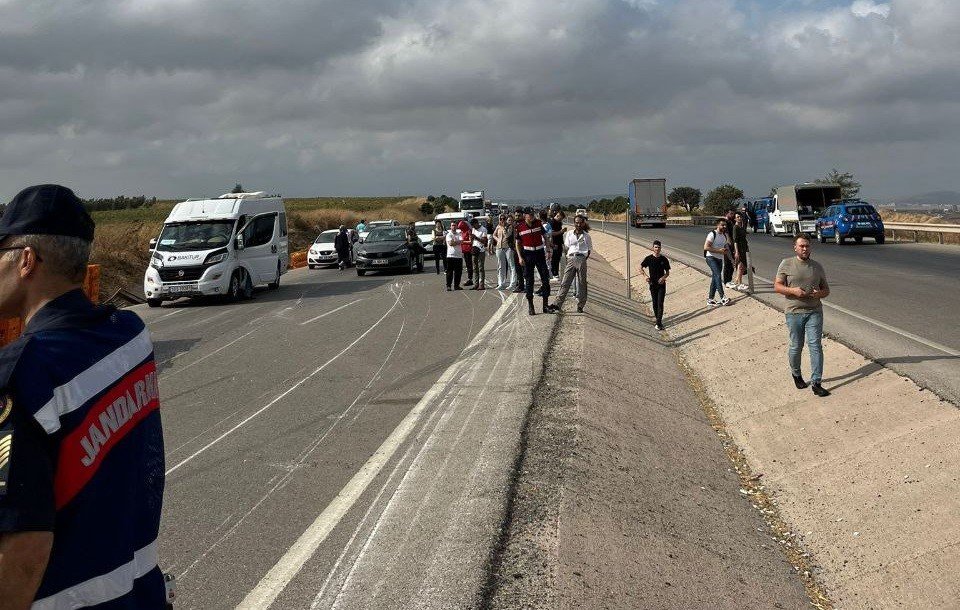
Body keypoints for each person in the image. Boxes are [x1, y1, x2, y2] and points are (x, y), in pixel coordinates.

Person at [0, 184, 169, 608]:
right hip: (141, 591)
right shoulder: (130, 335)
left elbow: (23, 555)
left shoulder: (27, 372)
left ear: (25, 260)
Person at [774, 236, 831, 397]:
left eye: (807, 246)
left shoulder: (817, 267)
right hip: (794, 312)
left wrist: (818, 293)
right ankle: (796, 374)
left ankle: (816, 382)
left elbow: (826, 290)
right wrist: (793, 291)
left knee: (815, 346)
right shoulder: (786, 263)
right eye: (801, 246)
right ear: (795, 248)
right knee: (796, 346)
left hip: (814, 311)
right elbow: (777, 286)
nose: (805, 249)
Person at [548, 214, 591, 313]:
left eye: (580, 223)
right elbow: (566, 247)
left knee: (582, 283)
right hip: (571, 258)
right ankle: (557, 304)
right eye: (576, 223)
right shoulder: (570, 234)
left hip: (581, 259)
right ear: (574, 223)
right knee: (565, 282)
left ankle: (581, 305)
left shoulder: (587, 236)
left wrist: (582, 259)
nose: (578, 225)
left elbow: (589, 251)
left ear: (583, 223)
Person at [515, 208, 552, 315]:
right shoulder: (519, 227)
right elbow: (517, 243)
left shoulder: (538, 223)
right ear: (525, 216)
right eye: (530, 215)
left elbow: (545, 237)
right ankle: (531, 306)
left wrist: (548, 250)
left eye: (533, 214)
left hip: (540, 253)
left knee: (545, 279)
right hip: (528, 255)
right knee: (529, 281)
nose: (532, 216)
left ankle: (545, 305)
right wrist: (520, 257)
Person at [640, 240, 670, 330]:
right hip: (652, 284)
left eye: (659, 247)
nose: (657, 249)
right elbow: (640, 268)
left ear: (661, 248)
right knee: (654, 303)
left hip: (661, 285)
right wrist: (645, 276)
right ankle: (658, 319)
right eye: (656, 247)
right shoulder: (649, 259)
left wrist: (663, 278)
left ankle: (659, 323)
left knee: (660, 303)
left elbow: (668, 272)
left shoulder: (664, 259)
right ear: (653, 248)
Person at [703, 219, 731, 307]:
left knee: (715, 278)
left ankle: (710, 299)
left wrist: (732, 260)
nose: (724, 227)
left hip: (719, 259)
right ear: (717, 225)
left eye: (725, 225)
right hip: (711, 258)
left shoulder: (724, 236)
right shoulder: (712, 234)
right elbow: (706, 247)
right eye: (722, 225)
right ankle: (723, 297)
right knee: (718, 275)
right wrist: (719, 251)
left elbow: (727, 249)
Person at [492, 215, 515, 290]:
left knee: (511, 265)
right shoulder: (498, 226)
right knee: (500, 266)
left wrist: (505, 228)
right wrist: (497, 239)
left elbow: (507, 235)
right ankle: (501, 283)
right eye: (500, 219)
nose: (502, 220)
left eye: (503, 219)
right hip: (499, 247)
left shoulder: (509, 226)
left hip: (508, 247)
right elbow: (494, 234)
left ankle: (512, 283)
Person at [731, 213, 750, 291]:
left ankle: (736, 281)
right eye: (737, 217)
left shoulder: (741, 227)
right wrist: (737, 252)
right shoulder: (735, 228)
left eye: (740, 217)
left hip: (744, 248)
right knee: (741, 266)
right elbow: (735, 241)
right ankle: (739, 283)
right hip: (739, 249)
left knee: (742, 266)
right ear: (735, 219)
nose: (739, 218)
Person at [445, 221, 464, 290]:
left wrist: (455, 242)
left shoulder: (459, 234)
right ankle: (448, 286)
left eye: (455, 225)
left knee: (458, 272)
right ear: (450, 227)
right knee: (449, 272)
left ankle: (456, 285)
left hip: (458, 255)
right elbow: (450, 243)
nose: (454, 227)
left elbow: (462, 241)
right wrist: (457, 242)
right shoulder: (449, 235)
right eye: (452, 225)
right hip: (450, 255)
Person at [470, 217, 488, 290]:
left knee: (481, 268)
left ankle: (481, 285)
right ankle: (476, 284)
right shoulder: (473, 229)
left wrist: (476, 237)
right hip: (474, 249)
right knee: (475, 268)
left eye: (474, 225)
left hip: (481, 250)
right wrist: (471, 238)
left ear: (477, 223)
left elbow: (484, 241)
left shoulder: (483, 229)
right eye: (472, 226)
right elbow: (472, 240)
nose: (473, 227)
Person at [549, 210, 566, 279]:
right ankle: (554, 273)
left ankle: (555, 272)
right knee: (554, 259)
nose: (561, 220)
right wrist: (561, 231)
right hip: (554, 243)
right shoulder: (552, 222)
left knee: (558, 258)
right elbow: (552, 233)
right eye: (560, 218)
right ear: (558, 216)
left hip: (559, 242)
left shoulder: (559, 222)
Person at [457, 216, 474, 286]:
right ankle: (470, 278)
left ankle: (470, 279)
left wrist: (462, 242)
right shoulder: (462, 232)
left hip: (468, 250)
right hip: (463, 250)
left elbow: (471, 241)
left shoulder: (468, 231)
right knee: (467, 265)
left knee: (469, 265)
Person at [723, 210, 736, 288]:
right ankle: (726, 281)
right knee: (727, 263)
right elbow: (726, 233)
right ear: (726, 213)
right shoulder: (725, 222)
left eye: (733, 213)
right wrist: (729, 242)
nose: (732, 215)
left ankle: (729, 280)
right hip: (727, 245)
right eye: (731, 213)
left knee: (732, 263)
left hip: (732, 244)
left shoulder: (731, 221)